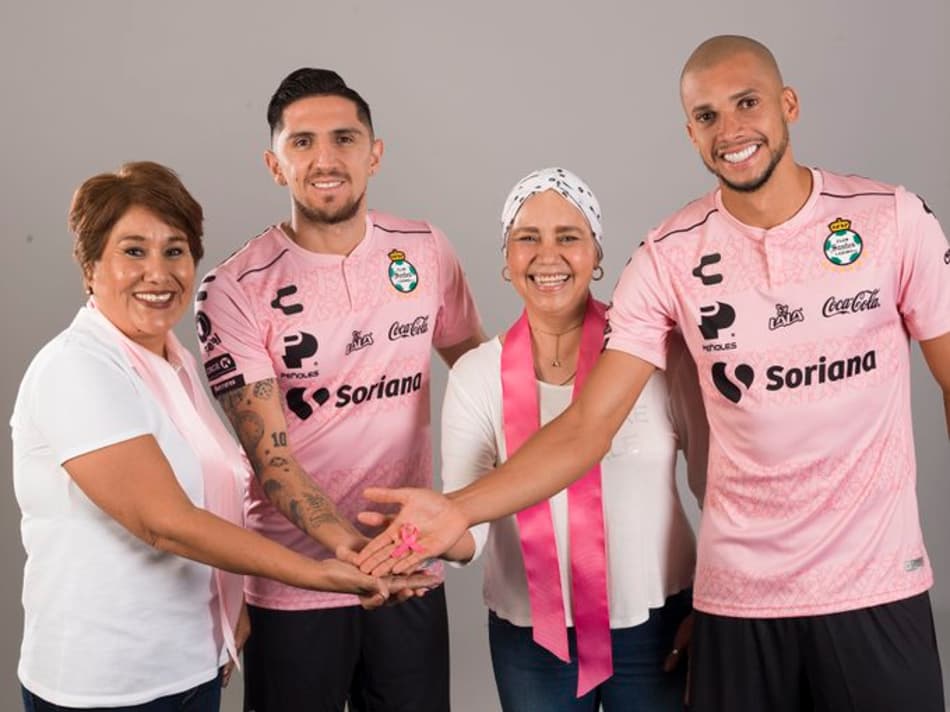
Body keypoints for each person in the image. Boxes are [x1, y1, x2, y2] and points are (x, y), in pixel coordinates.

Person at [357, 35, 950, 712]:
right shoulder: (667, 259)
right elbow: (587, 427)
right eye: (706, 116)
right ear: (690, 131)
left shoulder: (892, 219)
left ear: (787, 105)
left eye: (747, 103)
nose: (730, 130)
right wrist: (455, 512)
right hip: (739, 601)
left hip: (874, 585)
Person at [10, 162, 432, 712]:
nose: (158, 272)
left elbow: (218, 489)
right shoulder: (77, 368)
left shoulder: (172, 363)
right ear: (90, 267)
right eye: (133, 251)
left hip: (188, 666)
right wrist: (318, 574)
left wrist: (230, 610)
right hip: (107, 684)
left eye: (175, 250)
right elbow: (165, 523)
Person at [197, 68, 484, 712]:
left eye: (344, 138)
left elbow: (481, 380)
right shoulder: (234, 288)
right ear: (275, 164)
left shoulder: (426, 249)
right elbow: (271, 464)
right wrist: (352, 552)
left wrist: (468, 511)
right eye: (301, 143)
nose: (325, 159)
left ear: (374, 153)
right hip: (297, 583)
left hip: (412, 569)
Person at [440, 167, 706, 710]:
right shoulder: (474, 375)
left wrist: (715, 605)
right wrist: (427, 534)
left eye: (568, 236)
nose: (548, 255)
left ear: (596, 251)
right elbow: (467, 528)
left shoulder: (659, 357)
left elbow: (716, 486)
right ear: (506, 255)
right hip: (532, 637)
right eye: (527, 238)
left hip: (659, 624)